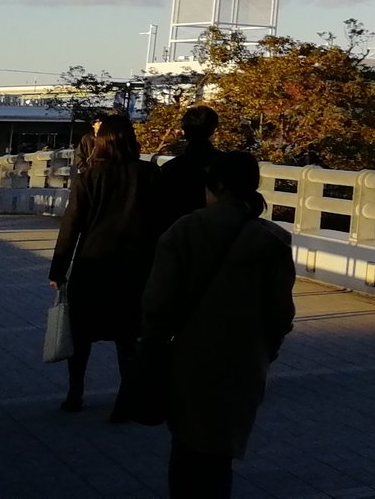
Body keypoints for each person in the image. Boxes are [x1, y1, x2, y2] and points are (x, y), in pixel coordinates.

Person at [141, 150, 296, 499]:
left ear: (218, 187)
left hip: (189, 356)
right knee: (219, 451)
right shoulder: (272, 240)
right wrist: (267, 350)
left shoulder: (184, 231)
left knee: (186, 447)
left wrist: (151, 345)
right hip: (244, 360)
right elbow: (281, 313)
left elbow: (157, 303)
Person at [48, 111, 156, 417]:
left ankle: (75, 394)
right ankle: (125, 400)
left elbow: (72, 224)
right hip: (135, 267)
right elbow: (160, 223)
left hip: (92, 264)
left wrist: (58, 269)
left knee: (82, 336)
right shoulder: (148, 174)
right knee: (127, 337)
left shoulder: (89, 177)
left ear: (101, 141)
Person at [152, 106, 221, 235]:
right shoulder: (226, 165)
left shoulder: (169, 169)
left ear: (184, 131)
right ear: (213, 130)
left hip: (175, 234)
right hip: (216, 234)